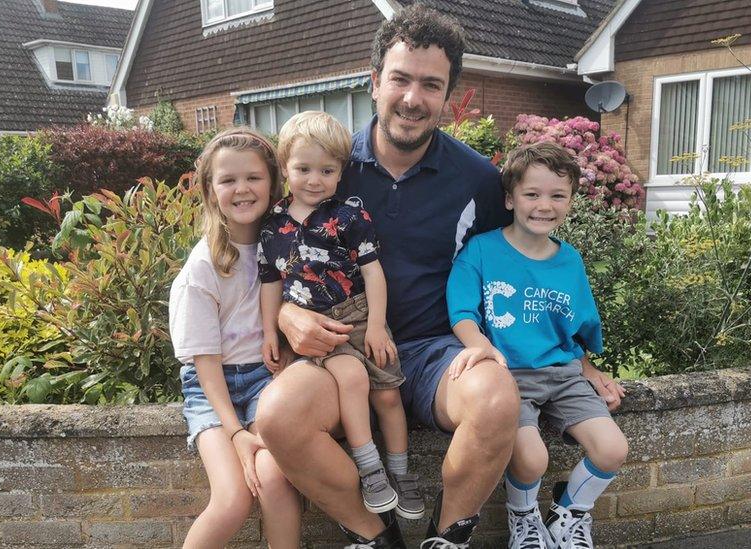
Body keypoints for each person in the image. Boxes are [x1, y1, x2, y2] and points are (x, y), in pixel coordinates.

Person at [257, 5, 623, 547]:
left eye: (431, 84)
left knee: (497, 396)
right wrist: (286, 314)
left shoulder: (477, 179)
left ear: (448, 95)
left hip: (436, 353)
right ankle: (372, 534)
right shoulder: (326, 166)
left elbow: (527, 267)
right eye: (401, 79)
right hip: (341, 350)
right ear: (374, 79)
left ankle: (447, 534)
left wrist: (580, 360)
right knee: (279, 416)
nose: (413, 98)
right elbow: (268, 252)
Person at [446, 142, 629, 549]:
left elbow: (576, 331)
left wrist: (590, 370)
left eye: (557, 196)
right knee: (532, 459)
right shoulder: (482, 249)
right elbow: (461, 310)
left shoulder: (571, 261)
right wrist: (479, 346)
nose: (543, 205)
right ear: (510, 198)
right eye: (532, 194)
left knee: (613, 449)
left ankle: (568, 514)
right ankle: (523, 518)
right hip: (509, 378)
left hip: (563, 375)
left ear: (570, 201)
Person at [258, 111, 424, 520]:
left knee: (387, 393)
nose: (314, 180)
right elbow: (270, 284)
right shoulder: (273, 227)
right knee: (351, 377)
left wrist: (379, 328)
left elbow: (373, 273)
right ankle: (370, 469)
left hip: (361, 313)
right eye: (303, 169)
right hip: (317, 325)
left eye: (327, 170)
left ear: (340, 172)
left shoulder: (350, 216)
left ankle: (401, 473)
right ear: (285, 169)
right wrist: (269, 334)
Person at [168, 128, 302, 548]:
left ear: (273, 184)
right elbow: (205, 364)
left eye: (253, 178)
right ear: (210, 190)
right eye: (228, 180)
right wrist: (236, 433)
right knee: (232, 499)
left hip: (267, 379)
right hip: (213, 390)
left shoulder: (287, 247)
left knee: (275, 481)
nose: (242, 189)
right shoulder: (203, 267)